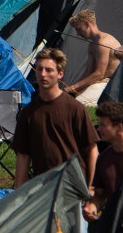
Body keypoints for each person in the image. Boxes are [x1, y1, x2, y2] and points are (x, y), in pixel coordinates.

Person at [13, 50, 96, 187]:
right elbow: (23, 155)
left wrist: (90, 184)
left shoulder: (75, 108)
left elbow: (92, 149)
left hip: (73, 183)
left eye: (49, 70)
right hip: (43, 184)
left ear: (60, 74)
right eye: (39, 69)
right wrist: (18, 191)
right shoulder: (28, 113)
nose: (43, 74)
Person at [65, 10, 123, 106]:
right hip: (100, 82)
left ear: (87, 24)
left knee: (78, 104)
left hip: (112, 83)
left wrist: (74, 87)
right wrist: (73, 89)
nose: (77, 33)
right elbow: (88, 72)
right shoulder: (92, 45)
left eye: (79, 29)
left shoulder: (103, 43)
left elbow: (100, 73)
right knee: (69, 100)